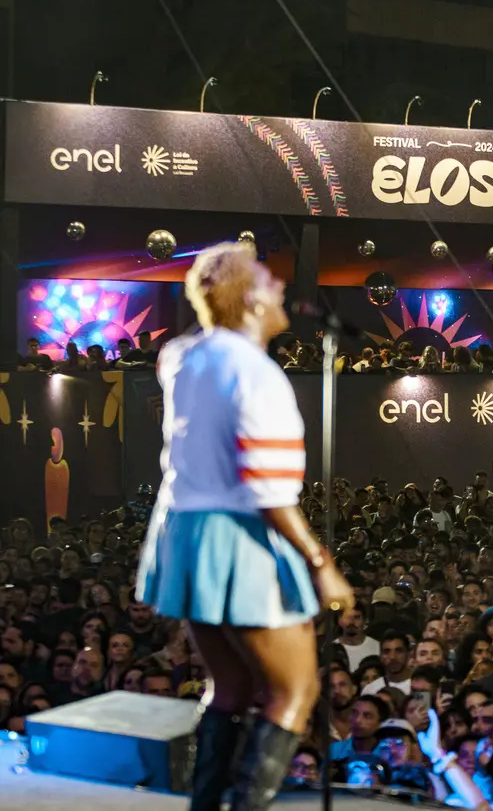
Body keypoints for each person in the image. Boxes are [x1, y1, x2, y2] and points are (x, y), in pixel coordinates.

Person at [134, 241, 354, 811]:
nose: (280, 287)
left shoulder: (181, 358)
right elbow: (269, 492)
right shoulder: (257, 374)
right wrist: (321, 563)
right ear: (251, 301)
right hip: (238, 537)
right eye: (266, 279)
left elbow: (201, 334)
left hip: (183, 533)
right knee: (294, 691)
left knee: (229, 688)